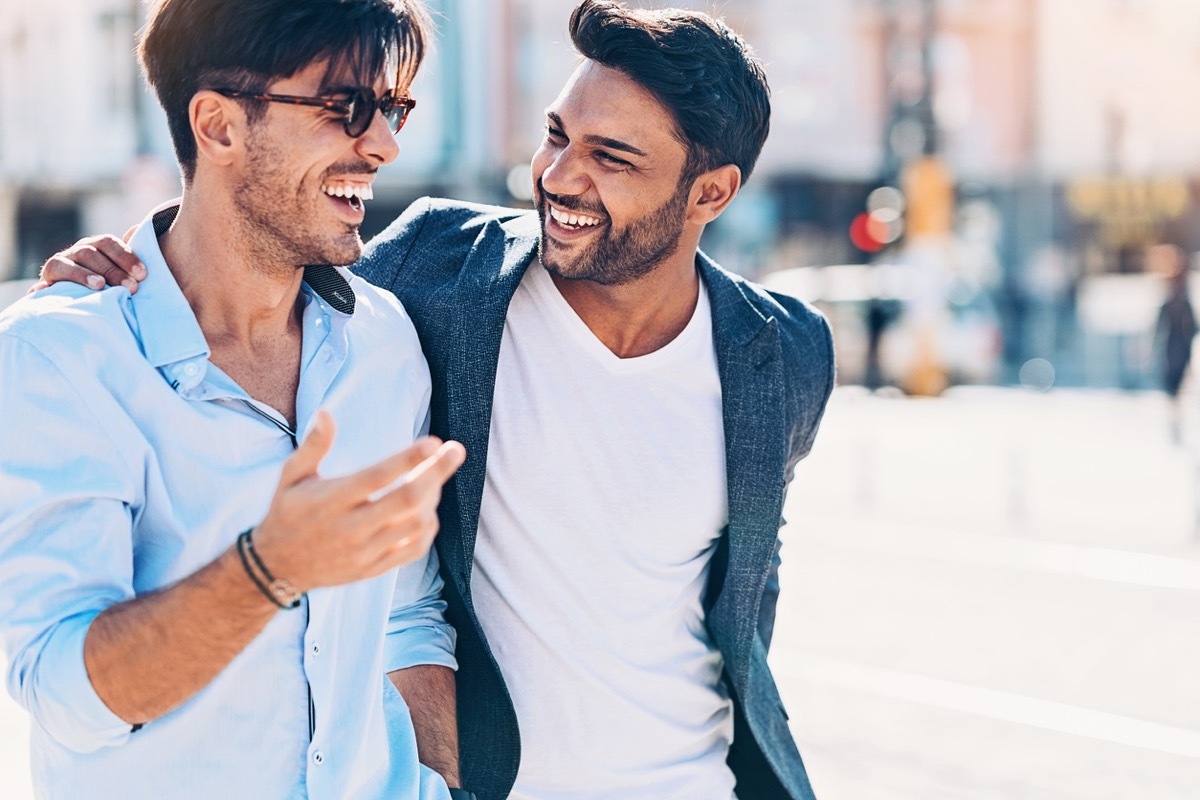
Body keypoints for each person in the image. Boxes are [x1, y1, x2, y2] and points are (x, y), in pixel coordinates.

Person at [40, 2, 836, 798]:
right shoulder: (437, 271)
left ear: (710, 193)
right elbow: (262, 245)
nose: (559, 176)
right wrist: (126, 268)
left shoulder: (786, 351)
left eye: (612, 158)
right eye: (557, 135)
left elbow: (746, 585)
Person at [0, 1, 471, 798]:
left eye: (392, 108)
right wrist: (267, 569)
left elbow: (406, 611)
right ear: (217, 126)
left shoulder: (385, 343)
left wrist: (438, 780)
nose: (384, 144)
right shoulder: (60, 358)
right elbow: (63, 696)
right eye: (346, 106)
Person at [1151, 244, 1197, 442]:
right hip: (1173, 346)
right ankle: (1175, 415)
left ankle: (1176, 415)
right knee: (1172, 384)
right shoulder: (1173, 295)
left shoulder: (1180, 295)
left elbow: (1192, 325)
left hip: (1177, 346)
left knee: (1174, 383)